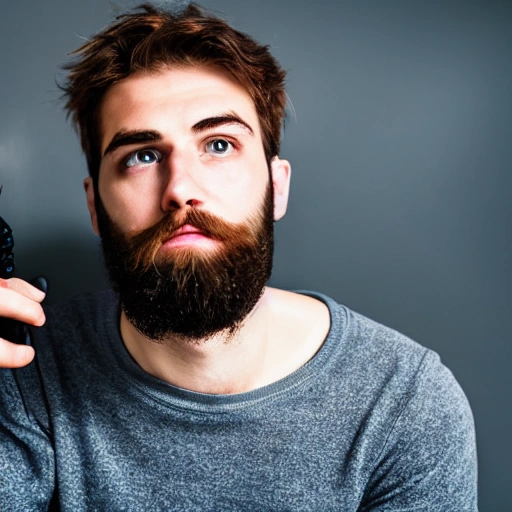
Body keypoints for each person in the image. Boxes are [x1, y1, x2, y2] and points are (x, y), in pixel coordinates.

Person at [0, 2, 477, 510]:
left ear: (277, 187)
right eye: (141, 156)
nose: (181, 190)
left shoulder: (406, 406)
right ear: (95, 205)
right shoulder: (26, 367)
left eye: (220, 144)